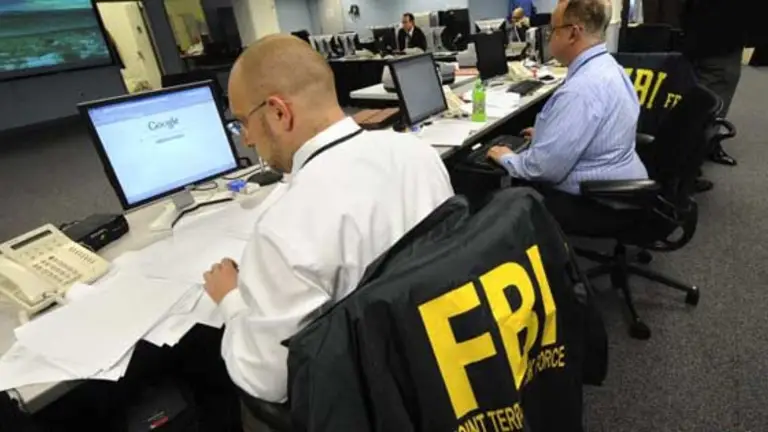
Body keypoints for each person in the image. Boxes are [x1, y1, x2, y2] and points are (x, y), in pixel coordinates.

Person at [202, 34, 453, 408]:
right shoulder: (418, 153)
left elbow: (268, 380)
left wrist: (231, 301)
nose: (247, 139)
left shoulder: (283, 228)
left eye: (243, 122)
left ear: (279, 112)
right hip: (444, 359)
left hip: (377, 399)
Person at [486, 0, 648, 235]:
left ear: (573, 33)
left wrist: (508, 158)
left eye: (553, 30)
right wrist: (548, 133)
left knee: (499, 196)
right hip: (622, 183)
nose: (549, 37)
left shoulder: (580, 90)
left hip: (596, 201)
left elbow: (542, 170)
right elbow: (596, 126)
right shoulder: (609, 67)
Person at [680, 0, 746, 166]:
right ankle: (695, 149)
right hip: (716, 28)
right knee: (718, 79)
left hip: (702, 27)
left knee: (706, 80)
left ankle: (697, 144)